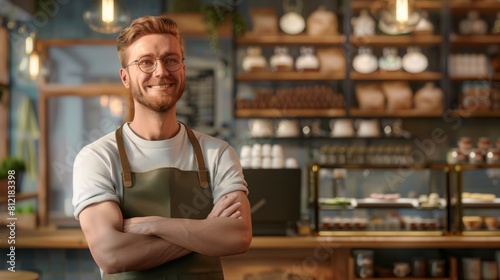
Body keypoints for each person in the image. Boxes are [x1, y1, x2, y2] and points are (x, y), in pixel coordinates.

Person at [72, 15, 252, 279]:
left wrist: (153, 225)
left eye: (171, 60)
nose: (160, 71)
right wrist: (206, 231)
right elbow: (111, 255)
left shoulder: (218, 153)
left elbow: (238, 236)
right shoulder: (98, 158)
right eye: (146, 62)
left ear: (183, 69)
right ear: (125, 77)